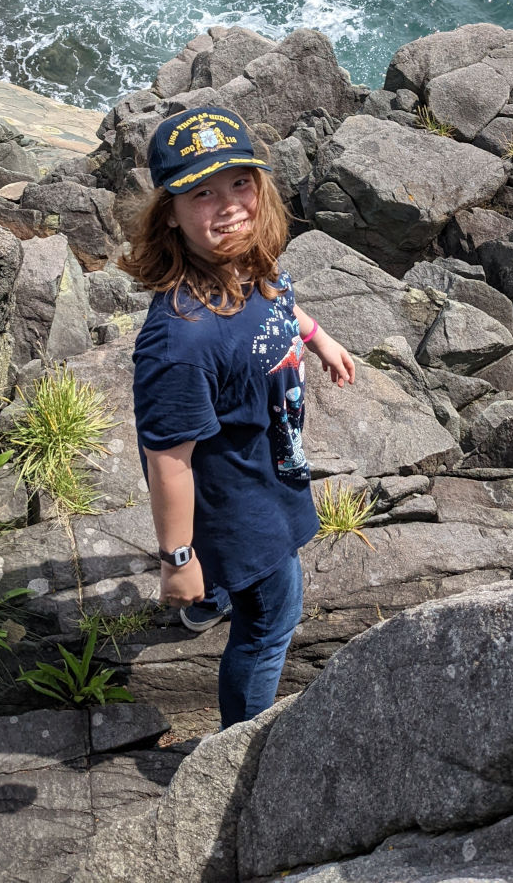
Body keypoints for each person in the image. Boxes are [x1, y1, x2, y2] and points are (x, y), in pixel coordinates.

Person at [121, 106, 355, 728]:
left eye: (240, 183)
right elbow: (168, 459)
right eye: (202, 192)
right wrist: (178, 558)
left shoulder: (250, 260)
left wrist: (318, 339)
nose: (229, 207)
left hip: (269, 463)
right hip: (238, 504)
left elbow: (280, 304)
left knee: (241, 595)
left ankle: (213, 594)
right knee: (273, 619)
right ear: (169, 211)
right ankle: (240, 747)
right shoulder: (181, 339)